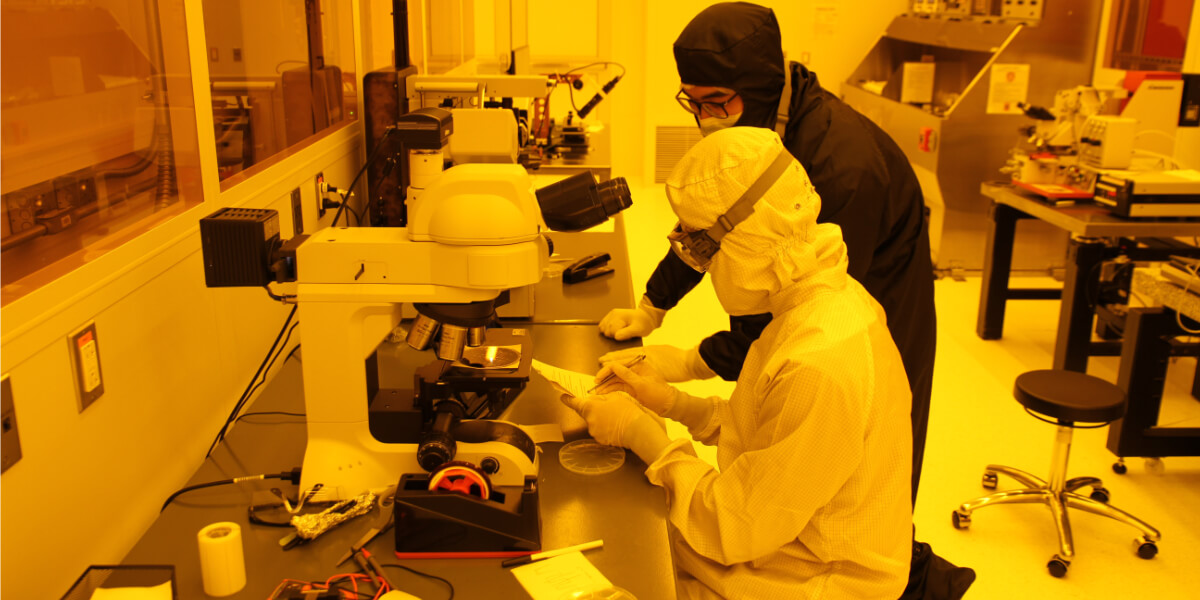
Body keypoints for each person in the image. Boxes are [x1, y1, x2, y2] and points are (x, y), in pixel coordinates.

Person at [598, 1, 936, 505]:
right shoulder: (753, 125)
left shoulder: (841, 168)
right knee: (779, 450)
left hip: (875, 307)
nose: (705, 120)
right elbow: (713, 221)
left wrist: (693, 362)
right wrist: (653, 306)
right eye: (692, 103)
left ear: (757, 90)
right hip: (799, 321)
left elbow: (798, 313)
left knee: (860, 479)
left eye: (717, 103)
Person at [565, 127, 913, 598]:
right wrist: (669, 401)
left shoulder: (819, 360)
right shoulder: (816, 303)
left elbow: (735, 527)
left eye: (702, 248)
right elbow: (762, 431)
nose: (702, 265)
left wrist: (643, 436)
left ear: (750, 240)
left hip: (811, 582)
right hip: (783, 543)